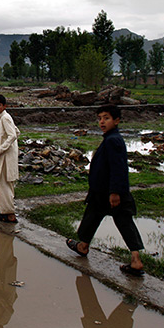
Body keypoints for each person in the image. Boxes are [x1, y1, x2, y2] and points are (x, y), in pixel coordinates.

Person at [66, 105, 145, 276]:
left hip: (107, 192)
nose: (102, 121)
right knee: (119, 221)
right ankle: (135, 260)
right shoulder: (111, 138)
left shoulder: (113, 141)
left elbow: (119, 168)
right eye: (100, 118)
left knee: (97, 218)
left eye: (106, 118)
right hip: (106, 190)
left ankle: (83, 246)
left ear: (116, 120)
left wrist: (115, 192)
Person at [0, 95, 19, 223]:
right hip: (7, 154)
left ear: (4, 106)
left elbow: (12, 136)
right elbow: (17, 132)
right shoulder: (3, 118)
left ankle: (9, 214)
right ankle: (3, 208)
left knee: (4, 184)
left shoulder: (5, 118)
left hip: (5, 155)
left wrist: (0, 150)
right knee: (4, 183)